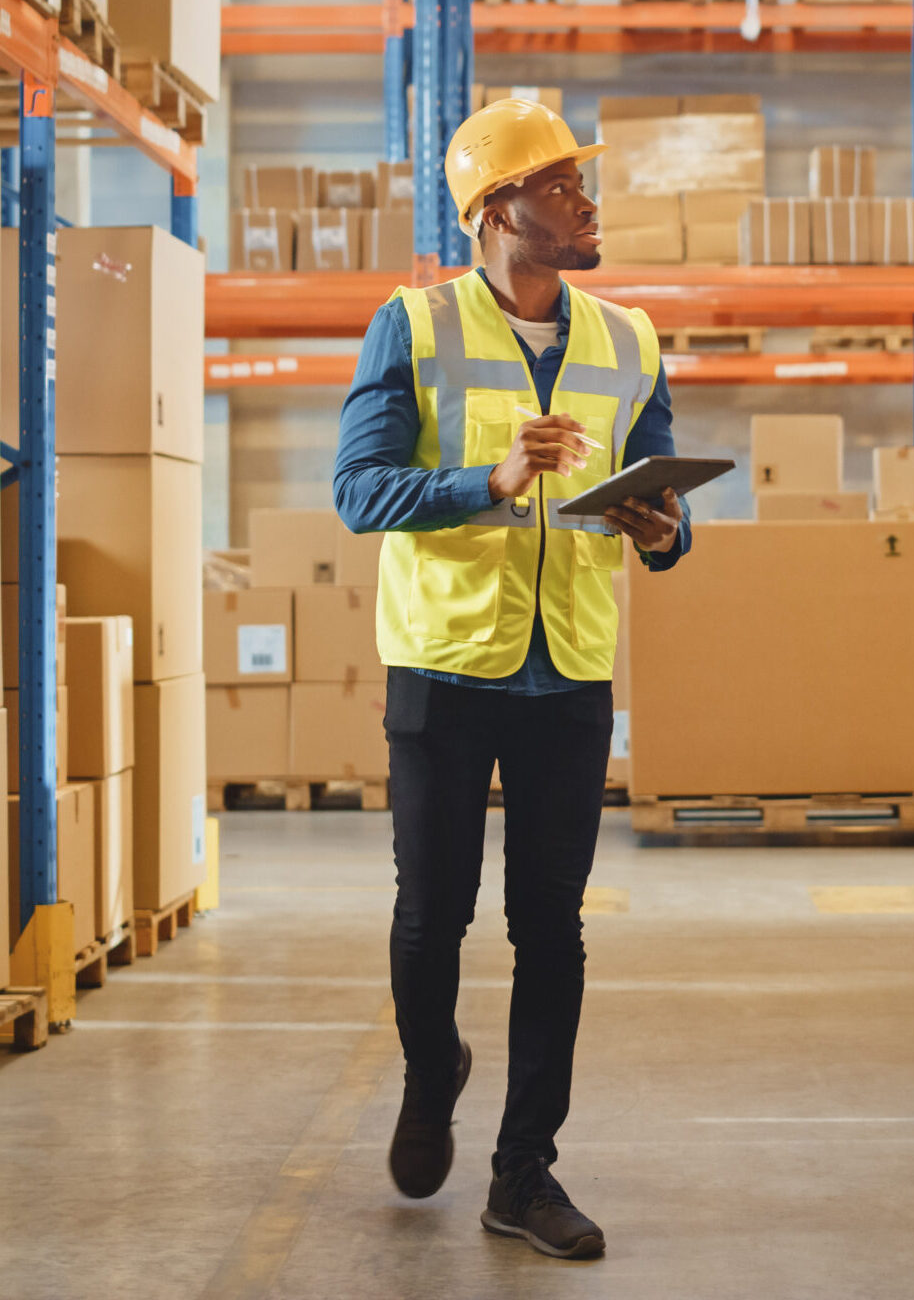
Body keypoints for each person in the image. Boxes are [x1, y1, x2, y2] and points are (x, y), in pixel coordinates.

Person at [332, 97, 692, 1262]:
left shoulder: (629, 340)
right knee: (431, 913)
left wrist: (662, 531)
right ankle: (429, 1072)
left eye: (582, 183)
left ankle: (522, 1172)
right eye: (560, 186)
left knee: (552, 928)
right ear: (497, 211)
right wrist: (485, 482)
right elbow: (359, 492)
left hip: (568, 671)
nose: (587, 203)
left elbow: (663, 503)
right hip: (443, 663)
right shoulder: (414, 325)